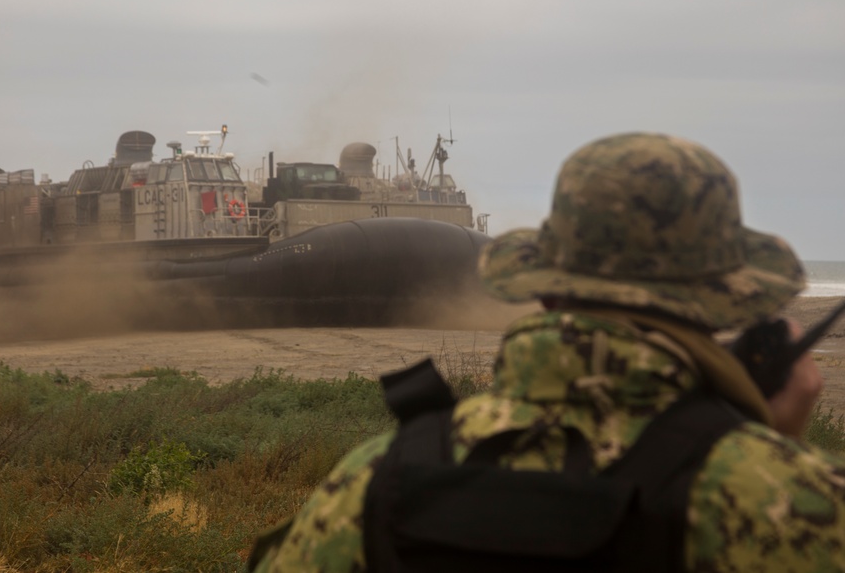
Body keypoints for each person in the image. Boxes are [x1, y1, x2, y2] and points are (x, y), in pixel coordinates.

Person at [249, 132, 845, 572]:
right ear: (723, 301)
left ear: (547, 287)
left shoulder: (377, 480)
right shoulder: (791, 502)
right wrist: (771, 450)